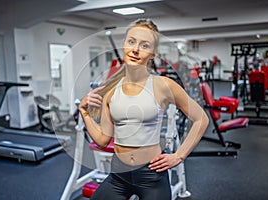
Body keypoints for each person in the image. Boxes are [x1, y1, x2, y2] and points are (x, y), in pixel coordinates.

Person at [79, 18, 209, 200]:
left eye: (144, 45)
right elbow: (102, 140)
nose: (135, 49)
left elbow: (201, 119)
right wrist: (84, 112)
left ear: (153, 53)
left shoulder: (163, 85)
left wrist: (179, 156)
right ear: (124, 44)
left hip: (151, 175)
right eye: (131, 41)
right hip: (118, 175)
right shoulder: (110, 90)